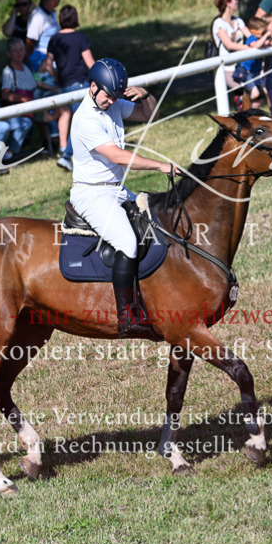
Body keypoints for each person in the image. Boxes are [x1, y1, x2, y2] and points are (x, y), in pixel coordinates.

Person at [68, 58, 177, 337]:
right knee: (128, 241)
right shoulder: (85, 118)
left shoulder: (112, 101)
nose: (111, 101)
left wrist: (147, 95)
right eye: (107, 95)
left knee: (157, 223)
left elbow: (147, 114)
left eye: (115, 96)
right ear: (92, 87)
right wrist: (159, 165)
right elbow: (117, 156)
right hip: (92, 194)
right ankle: (126, 317)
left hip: (116, 188)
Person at [45, 4, 95, 171]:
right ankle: (67, 156)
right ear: (75, 19)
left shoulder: (54, 39)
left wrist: (57, 79)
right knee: (82, 121)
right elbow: (90, 64)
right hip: (80, 85)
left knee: (69, 117)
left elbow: (48, 66)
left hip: (63, 86)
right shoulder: (80, 38)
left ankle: (65, 148)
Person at [212, 0, 255, 93]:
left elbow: (250, 36)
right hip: (228, 69)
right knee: (247, 94)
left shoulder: (238, 21)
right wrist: (249, 48)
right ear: (228, 3)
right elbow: (229, 45)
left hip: (241, 67)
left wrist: (257, 42)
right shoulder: (219, 23)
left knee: (257, 95)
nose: (237, 1)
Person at [233, 17, 272, 111]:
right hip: (246, 71)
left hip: (255, 71)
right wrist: (266, 36)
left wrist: (271, 38)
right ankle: (239, 100)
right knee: (255, 93)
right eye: (262, 33)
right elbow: (256, 45)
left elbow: (270, 42)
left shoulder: (261, 39)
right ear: (255, 32)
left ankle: (247, 112)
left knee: (263, 93)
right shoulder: (251, 39)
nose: (264, 35)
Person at [25, 0, 61, 71]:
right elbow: (29, 43)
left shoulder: (51, 13)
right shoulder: (38, 17)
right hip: (43, 63)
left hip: (53, 60)